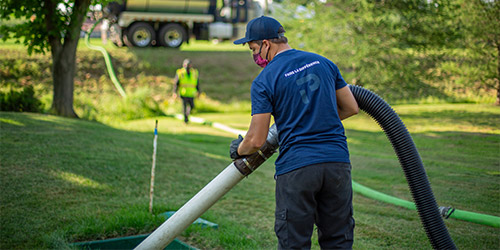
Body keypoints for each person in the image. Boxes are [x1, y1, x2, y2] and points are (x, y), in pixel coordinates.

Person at [229, 16, 359, 249]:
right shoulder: (324, 62)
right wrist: (316, 118)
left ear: (266, 44)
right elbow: (351, 107)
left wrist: (238, 149)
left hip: (298, 168)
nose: (254, 56)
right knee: (338, 239)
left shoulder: (264, 80)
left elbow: (256, 140)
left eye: (254, 48)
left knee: (294, 242)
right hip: (337, 163)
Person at [173, 59, 200, 124]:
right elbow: (176, 83)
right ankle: (185, 120)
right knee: (184, 107)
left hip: (191, 93)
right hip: (183, 93)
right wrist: (174, 92)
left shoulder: (194, 72)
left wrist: (198, 91)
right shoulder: (180, 72)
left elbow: (197, 83)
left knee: (192, 106)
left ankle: (187, 116)